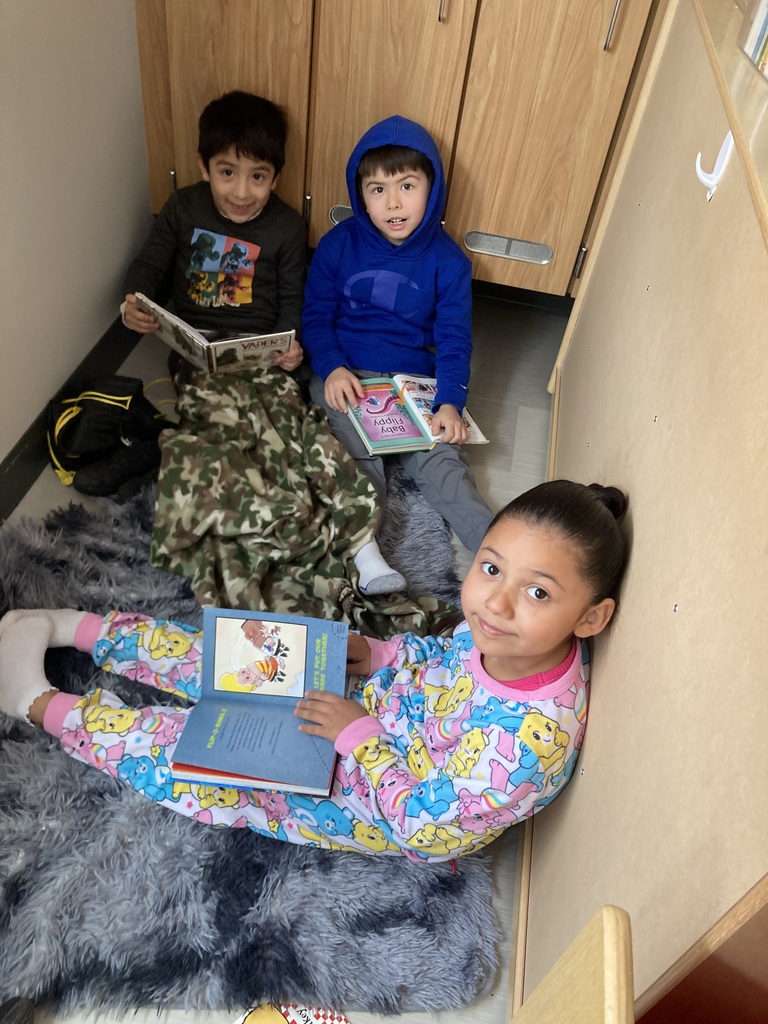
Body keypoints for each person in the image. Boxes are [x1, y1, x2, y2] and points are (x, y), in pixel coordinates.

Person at [0, 480, 629, 863]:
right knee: (237, 656)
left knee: (188, 757)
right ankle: (78, 629)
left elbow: (427, 829)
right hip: (378, 709)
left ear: (592, 618)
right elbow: (442, 658)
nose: (496, 601)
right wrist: (381, 655)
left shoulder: (529, 745)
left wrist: (359, 737)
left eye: (539, 593)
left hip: (370, 794)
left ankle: (35, 702)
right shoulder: (498, 631)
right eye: (491, 567)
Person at [302, 115, 494, 593]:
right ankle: (366, 554)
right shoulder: (338, 245)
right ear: (359, 192)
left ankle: (497, 549)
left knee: (441, 460)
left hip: (413, 382)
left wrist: (449, 401)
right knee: (352, 453)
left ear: (433, 187)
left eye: (407, 185)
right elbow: (314, 317)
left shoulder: (448, 262)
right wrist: (330, 368)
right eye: (376, 189)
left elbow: (454, 339)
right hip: (348, 371)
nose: (392, 203)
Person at [121, 90, 305, 376]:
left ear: (275, 178)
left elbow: (292, 300)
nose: (242, 193)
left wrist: (288, 342)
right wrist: (133, 303)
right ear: (204, 167)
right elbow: (149, 265)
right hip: (195, 345)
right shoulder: (183, 207)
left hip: (259, 346)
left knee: (284, 408)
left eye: (257, 176)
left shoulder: (287, 225)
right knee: (215, 411)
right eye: (227, 173)